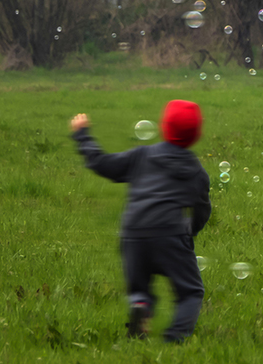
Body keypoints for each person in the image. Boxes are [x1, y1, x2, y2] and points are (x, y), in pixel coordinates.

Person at [69, 100, 211, 342]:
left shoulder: (142, 155)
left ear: (164, 127)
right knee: (190, 292)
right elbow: (202, 210)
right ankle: (174, 338)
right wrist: (191, 231)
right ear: (197, 134)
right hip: (171, 235)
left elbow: (103, 164)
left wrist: (83, 136)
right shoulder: (196, 170)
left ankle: (140, 306)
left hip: (133, 233)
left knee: (139, 288)